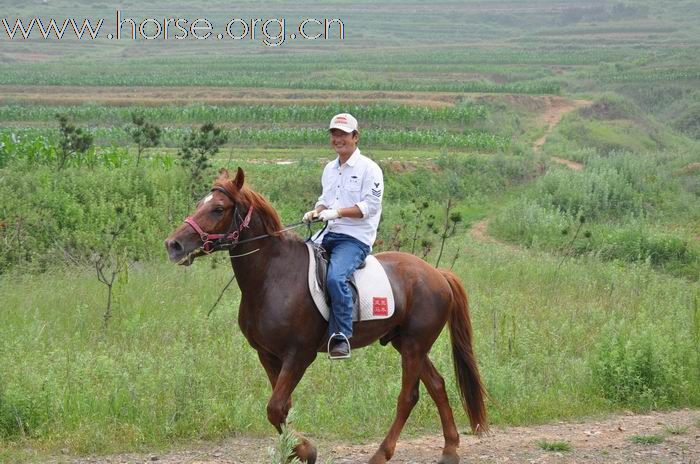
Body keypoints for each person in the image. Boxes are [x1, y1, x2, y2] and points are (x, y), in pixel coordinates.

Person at [302, 113, 384, 359]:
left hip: (354, 238)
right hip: (327, 233)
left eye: (343, 134)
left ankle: (341, 335)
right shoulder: (330, 169)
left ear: (355, 137)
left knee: (336, 277)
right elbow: (325, 200)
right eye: (334, 134)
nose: (338, 139)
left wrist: (335, 212)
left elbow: (368, 208)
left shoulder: (370, 169)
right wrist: (316, 212)